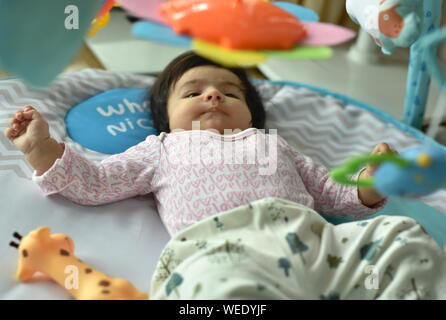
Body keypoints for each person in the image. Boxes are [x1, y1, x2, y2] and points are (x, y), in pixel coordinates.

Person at [4, 51, 445, 299]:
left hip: (316, 246)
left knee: (403, 239)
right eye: (193, 92)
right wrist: (44, 150)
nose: (213, 93)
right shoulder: (162, 149)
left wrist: (372, 178)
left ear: (252, 112)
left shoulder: (275, 144)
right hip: (223, 248)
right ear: (167, 117)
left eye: (230, 92)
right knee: (221, 294)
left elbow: (336, 197)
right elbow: (96, 184)